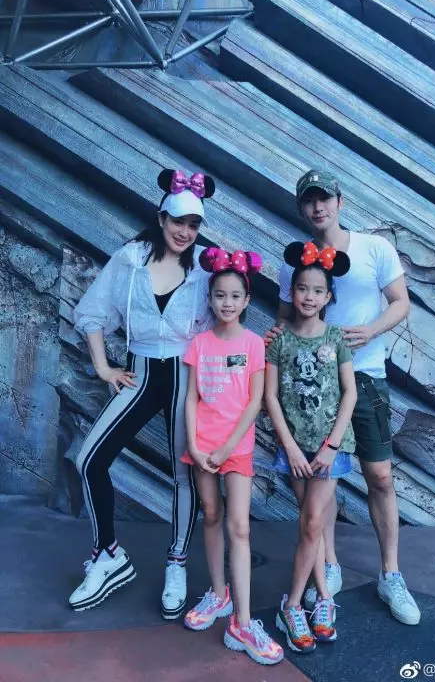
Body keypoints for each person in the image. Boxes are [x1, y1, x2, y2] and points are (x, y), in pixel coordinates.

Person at [274, 169, 421, 626]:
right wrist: (275, 337)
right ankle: (329, 563)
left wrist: (371, 331)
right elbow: (284, 318)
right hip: (312, 386)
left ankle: (391, 573)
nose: (318, 207)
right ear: (301, 208)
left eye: (325, 198)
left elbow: (401, 301)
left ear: (340, 202)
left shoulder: (374, 248)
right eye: (309, 200)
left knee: (380, 475)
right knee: (323, 477)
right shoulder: (295, 260)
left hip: (366, 375)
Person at [70, 169, 215, 619]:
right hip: (141, 372)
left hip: (187, 376)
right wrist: (103, 367)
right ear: (161, 217)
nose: (184, 232)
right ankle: (107, 554)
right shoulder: (131, 258)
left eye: (193, 225)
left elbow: (228, 315)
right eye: (178, 221)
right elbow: (93, 312)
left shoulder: (206, 265)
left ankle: (177, 563)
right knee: (89, 460)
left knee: (184, 473)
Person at [181, 247, 284, 667]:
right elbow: (191, 398)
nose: (227, 303)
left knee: (239, 527)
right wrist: (195, 444)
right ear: (210, 299)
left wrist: (226, 447)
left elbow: (255, 401)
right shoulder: (199, 344)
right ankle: (218, 593)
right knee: (210, 515)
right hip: (202, 446)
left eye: (235, 296)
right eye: (220, 295)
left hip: (236, 448)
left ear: (246, 301)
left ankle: (242, 622)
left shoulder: (254, 344)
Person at [265, 240, 357, 653]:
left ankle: (292, 605)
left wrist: (331, 446)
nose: (309, 296)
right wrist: (290, 448)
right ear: (292, 292)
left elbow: (350, 393)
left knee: (313, 522)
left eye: (318, 290)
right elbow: (270, 397)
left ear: (328, 297)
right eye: (302, 288)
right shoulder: (279, 340)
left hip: (328, 449)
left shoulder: (336, 338)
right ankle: (322, 597)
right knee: (311, 524)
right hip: (295, 448)